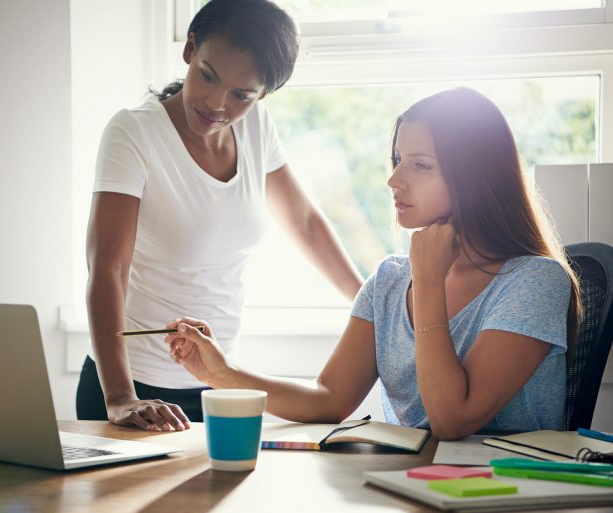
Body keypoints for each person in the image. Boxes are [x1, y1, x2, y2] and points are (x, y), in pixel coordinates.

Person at [164, 87, 583, 440]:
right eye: (398, 159)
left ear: (475, 177)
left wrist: (429, 281)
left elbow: (452, 420)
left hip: (507, 493)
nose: (394, 179)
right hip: (416, 486)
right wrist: (224, 373)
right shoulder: (389, 278)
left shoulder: (535, 281)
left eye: (420, 164)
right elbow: (330, 398)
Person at [78, 0, 363, 432]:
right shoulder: (134, 132)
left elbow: (303, 220)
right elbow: (107, 269)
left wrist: (369, 304)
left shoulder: (256, 127)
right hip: (135, 387)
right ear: (190, 49)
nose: (216, 103)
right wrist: (119, 397)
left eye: (241, 95)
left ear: (262, 94)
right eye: (208, 76)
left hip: (216, 386)